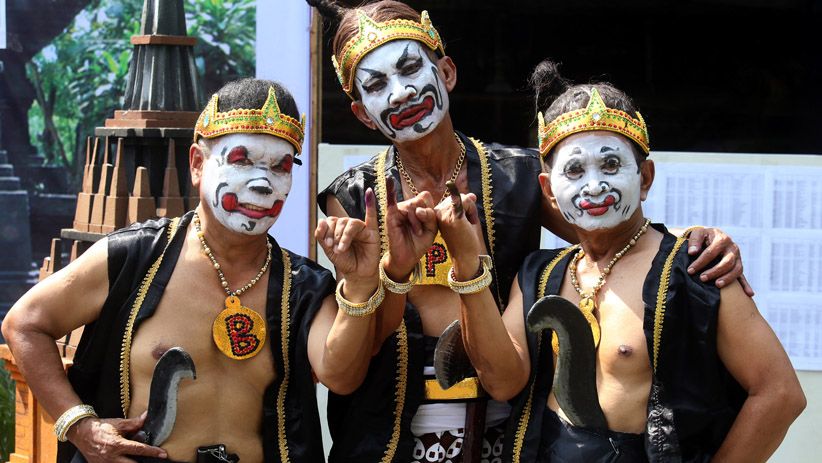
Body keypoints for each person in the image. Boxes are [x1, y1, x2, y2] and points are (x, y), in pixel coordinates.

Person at [309, 2, 749, 462]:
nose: (399, 94)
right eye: (377, 85)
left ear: (447, 72)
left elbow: (614, 240)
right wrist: (392, 272)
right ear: (362, 114)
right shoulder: (354, 197)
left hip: (505, 426)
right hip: (385, 435)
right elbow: (358, 351)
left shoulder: (518, 176)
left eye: (409, 69)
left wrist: (688, 240)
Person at [441, 61, 806, 462]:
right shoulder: (537, 275)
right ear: (548, 189)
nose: (593, 186)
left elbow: (780, 394)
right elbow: (502, 382)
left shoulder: (695, 270)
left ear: (645, 177)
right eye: (575, 170)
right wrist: (468, 265)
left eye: (611, 165)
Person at [2, 79, 381, 463]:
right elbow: (24, 324)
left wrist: (362, 282)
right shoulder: (135, 257)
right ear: (198, 164)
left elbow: (340, 376)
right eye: (242, 161)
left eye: (280, 167)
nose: (263, 184)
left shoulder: (305, 286)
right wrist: (80, 426)